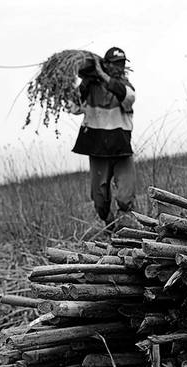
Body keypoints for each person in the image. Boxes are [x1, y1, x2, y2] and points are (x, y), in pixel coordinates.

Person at [71, 46, 138, 231]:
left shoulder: (125, 87)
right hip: (97, 148)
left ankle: (126, 230)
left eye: (123, 64)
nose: (120, 67)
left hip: (121, 148)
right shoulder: (90, 88)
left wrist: (103, 75)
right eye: (116, 64)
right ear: (107, 65)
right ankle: (110, 227)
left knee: (126, 196)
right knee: (99, 199)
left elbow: (128, 97)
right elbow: (73, 107)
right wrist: (85, 84)